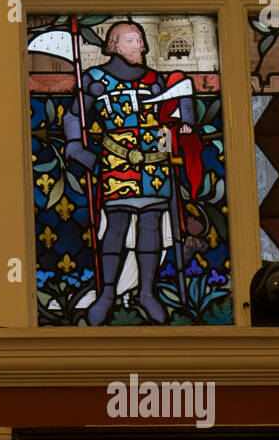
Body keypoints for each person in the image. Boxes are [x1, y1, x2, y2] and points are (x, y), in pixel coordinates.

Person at [62, 21, 197, 325]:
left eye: (141, 41)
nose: (142, 47)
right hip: (117, 163)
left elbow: (184, 92)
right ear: (114, 44)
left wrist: (186, 117)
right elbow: (74, 115)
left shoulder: (156, 80)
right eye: (134, 41)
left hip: (154, 164)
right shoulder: (95, 80)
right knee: (116, 226)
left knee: (150, 226)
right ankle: (107, 294)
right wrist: (75, 147)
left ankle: (147, 293)